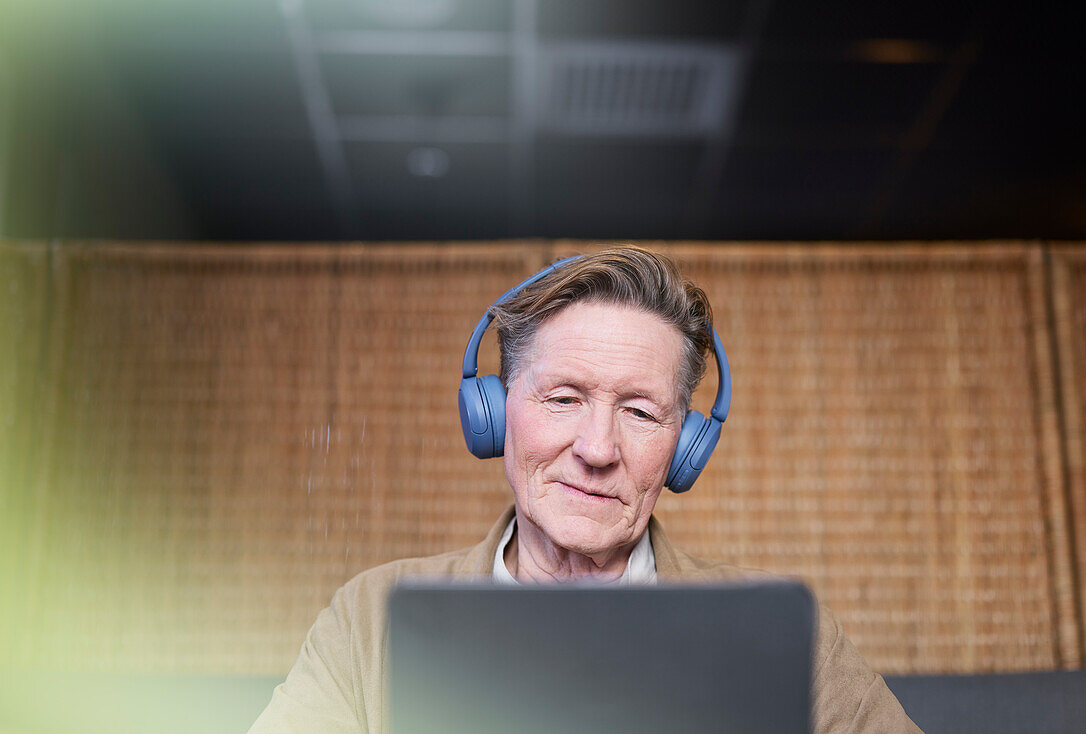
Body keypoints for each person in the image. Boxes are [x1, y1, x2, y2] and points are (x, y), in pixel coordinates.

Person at [249, 246, 922, 733]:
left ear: (685, 446)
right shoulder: (369, 621)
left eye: (640, 412)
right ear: (494, 411)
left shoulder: (790, 642)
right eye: (564, 398)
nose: (598, 450)